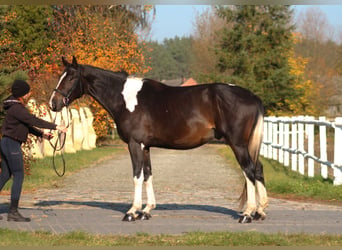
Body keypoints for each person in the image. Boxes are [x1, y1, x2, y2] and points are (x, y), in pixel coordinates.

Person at [0, 79, 67, 222]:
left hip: (7, 143)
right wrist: (56, 127)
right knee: (18, 176)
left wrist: (42, 134)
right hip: (11, 144)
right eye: (27, 91)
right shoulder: (18, 108)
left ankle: (13, 211)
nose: (29, 94)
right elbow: (33, 121)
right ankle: (13, 212)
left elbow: (27, 126)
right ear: (22, 93)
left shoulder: (14, 106)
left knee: (5, 175)